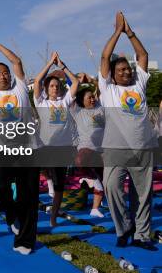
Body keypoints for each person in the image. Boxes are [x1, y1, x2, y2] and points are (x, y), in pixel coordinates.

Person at [99, 12, 157, 250]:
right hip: (115, 149)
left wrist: (129, 32)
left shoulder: (139, 84)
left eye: (127, 69)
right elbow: (104, 56)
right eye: (120, 70)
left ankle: (143, 234)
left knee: (143, 194)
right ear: (112, 75)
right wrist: (117, 32)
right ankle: (124, 229)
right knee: (111, 187)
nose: (126, 72)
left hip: (142, 146)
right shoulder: (107, 88)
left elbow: (143, 55)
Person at [0, 31, 38, 255]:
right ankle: (12, 215)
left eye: (5, 73)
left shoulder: (20, 88)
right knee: (2, 189)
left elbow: (17, 61)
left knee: (28, 196)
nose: (2, 76)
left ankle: (25, 240)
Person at [33, 52, 79, 227]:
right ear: (47, 89)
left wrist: (62, 66)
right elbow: (37, 82)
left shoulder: (65, 101)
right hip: (45, 147)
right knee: (36, 178)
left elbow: (75, 82)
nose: (55, 88)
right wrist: (49, 64)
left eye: (57, 85)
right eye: (51, 86)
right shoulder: (41, 103)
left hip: (62, 149)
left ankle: (53, 215)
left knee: (60, 185)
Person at [70, 74, 105, 218]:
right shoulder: (77, 111)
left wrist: (91, 80)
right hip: (86, 149)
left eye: (93, 97)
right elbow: (72, 93)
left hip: (102, 151)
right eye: (89, 98)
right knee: (81, 161)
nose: (92, 99)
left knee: (104, 183)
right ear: (81, 101)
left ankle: (95, 208)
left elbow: (102, 90)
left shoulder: (100, 107)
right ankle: (88, 177)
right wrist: (77, 81)